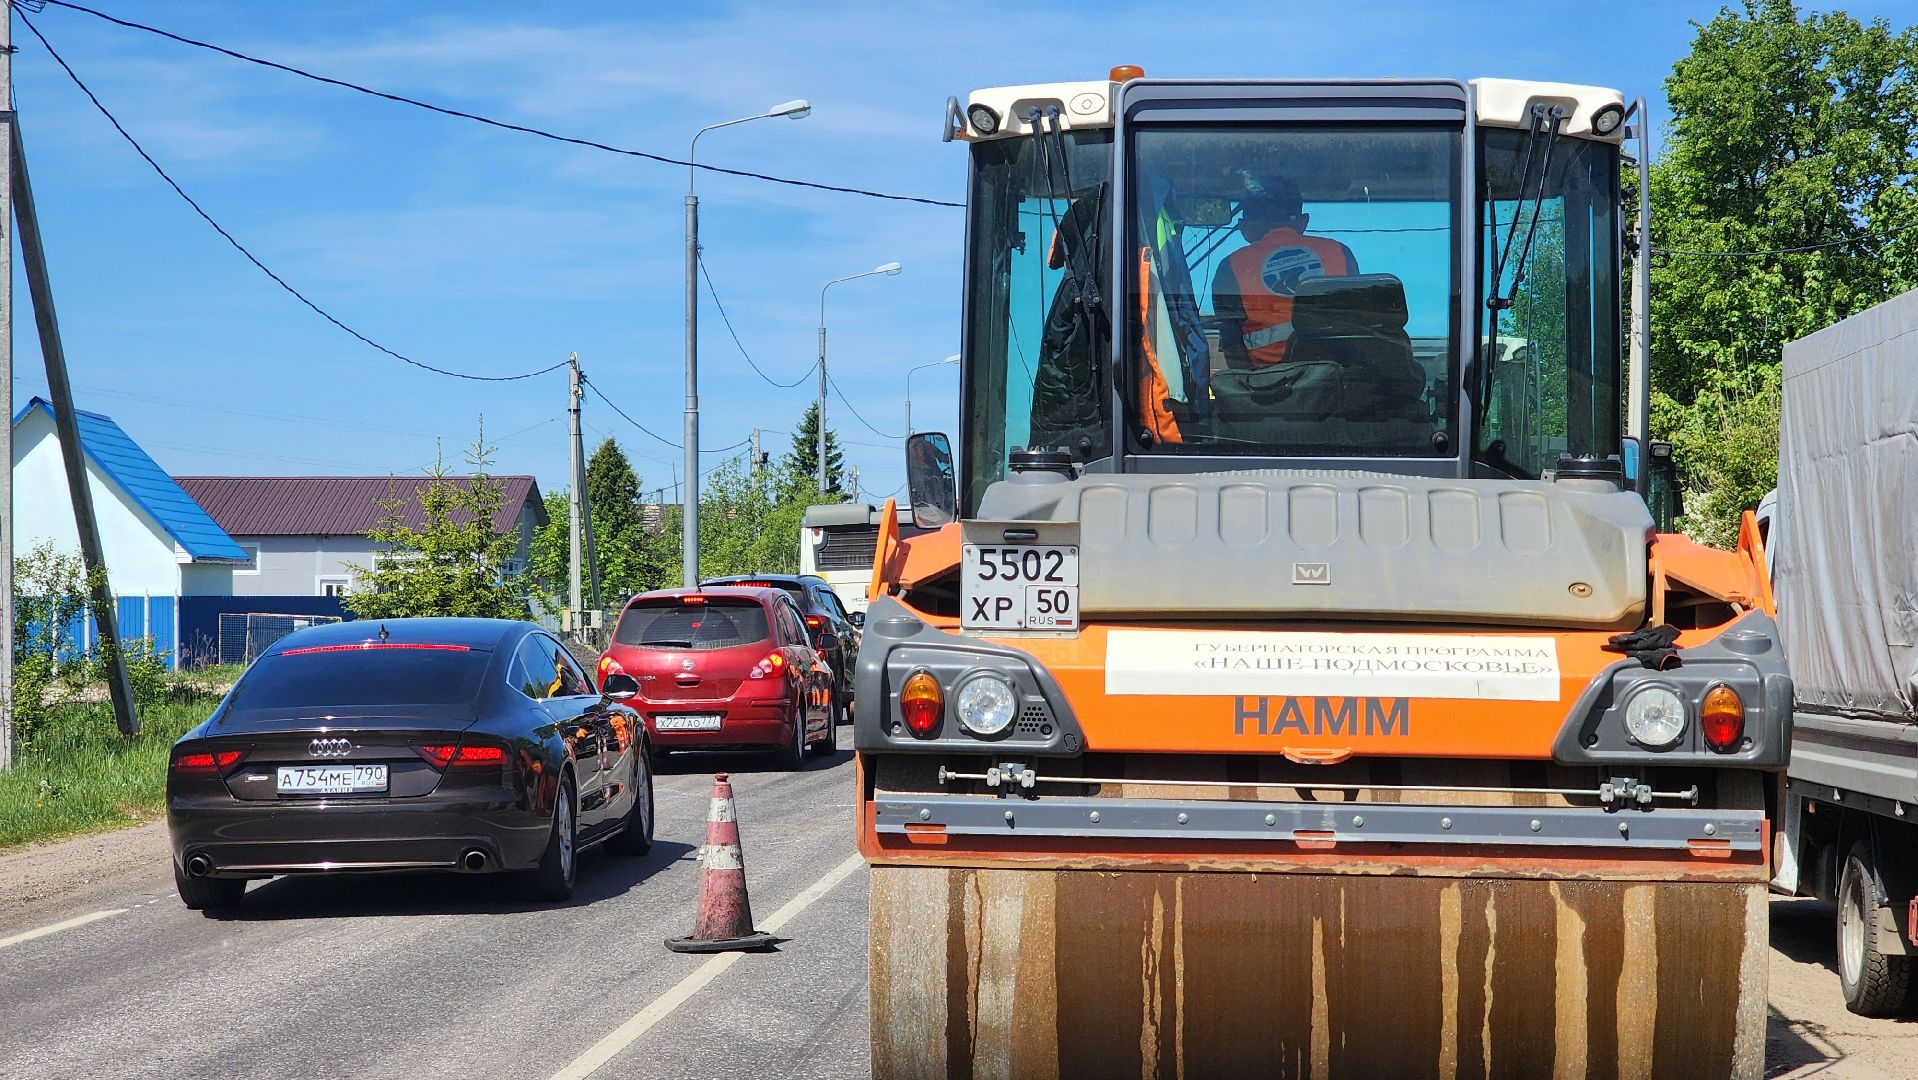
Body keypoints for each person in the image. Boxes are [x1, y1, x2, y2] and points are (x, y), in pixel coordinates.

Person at [1212, 177, 1359, 368]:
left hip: (1268, 389)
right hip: (1336, 381)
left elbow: (1233, 347)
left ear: (1245, 227)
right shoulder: (1339, 252)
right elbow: (1358, 327)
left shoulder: (1230, 266)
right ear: (1303, 221)